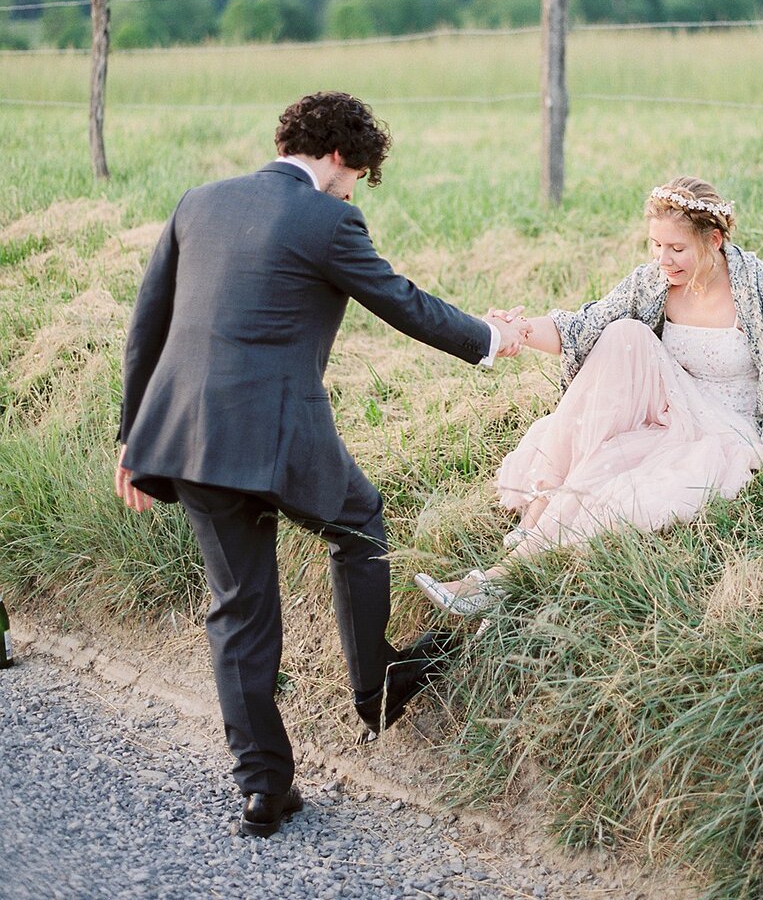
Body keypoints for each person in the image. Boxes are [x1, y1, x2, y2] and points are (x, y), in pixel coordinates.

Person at [115, 90, 526, 838]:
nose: (353, 190)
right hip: (278, 437)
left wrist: (131, 439)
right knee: (360, 521)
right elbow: (401, 301)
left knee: (238, 611)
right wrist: (492, 339)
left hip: (186, 441)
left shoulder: (198, 202)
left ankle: (263, 788)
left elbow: (148, 322)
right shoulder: (327, 218)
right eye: (357, 176)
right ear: (339, 157)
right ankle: (377, 688)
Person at [415, 176, 763, 617]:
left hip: (723, 424)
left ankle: (497, 581)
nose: (663, 259)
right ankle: (538, 516)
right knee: (623, 333)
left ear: (713, 240)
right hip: (668, 407)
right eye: (655, 245)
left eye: (677, 249)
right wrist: (511, 332)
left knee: (611, 481)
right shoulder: (654, 281)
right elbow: (584, 327)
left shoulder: (756, 286)